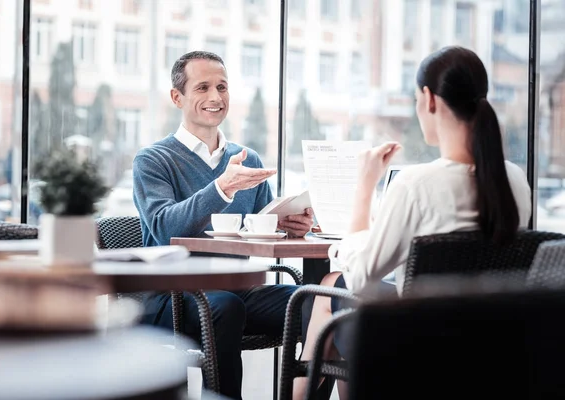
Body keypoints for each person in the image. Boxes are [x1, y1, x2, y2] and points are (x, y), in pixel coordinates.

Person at [293, 46, 532, 400]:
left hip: (414, 341)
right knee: (335, 286)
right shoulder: (514, 179)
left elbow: (361, 275)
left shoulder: (416, 184)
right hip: (488, 345)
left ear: (428, 99)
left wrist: (365, 186)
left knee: (329, 292)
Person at [132, 51, 313, 399]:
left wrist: (289, 226)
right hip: (172, 298)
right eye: (202, 87)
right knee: (225, 308)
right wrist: (222, 188)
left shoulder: (245, 159)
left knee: (318, 305)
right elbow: (163, 227)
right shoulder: (153, 160)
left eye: (222, 87)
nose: (216, 97)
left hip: (236, 292)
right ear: (177, 97)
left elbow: (261, 229)